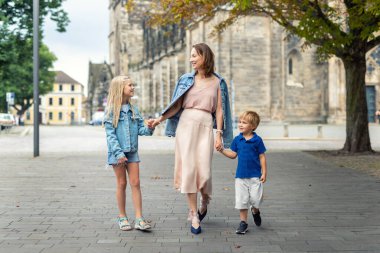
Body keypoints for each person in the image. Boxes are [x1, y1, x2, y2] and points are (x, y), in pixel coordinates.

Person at [149, 43, 233, 234]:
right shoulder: (186, 79)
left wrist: (219, 134)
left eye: (195, 55)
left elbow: (220, 110)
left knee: (204, 171)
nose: (191, 59)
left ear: (205, 56)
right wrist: (159, 119)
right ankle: (193, 214)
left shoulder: (218, 82)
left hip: (205, 126)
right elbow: (176, 105)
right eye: (190, 56)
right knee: (189, 170)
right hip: (185, 126)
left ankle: (205, 199)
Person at [104, 75, 155, 231]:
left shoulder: (134, 109)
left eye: (133, 85)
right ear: (120, 89)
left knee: (136, 183)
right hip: (117, 154)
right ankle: (122, 216)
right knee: (122, 183)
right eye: (130, 85)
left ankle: (139, 219)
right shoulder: (111, 111)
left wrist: (150, 127)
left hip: (132, 153)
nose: (133, 88)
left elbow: (141, 130)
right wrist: (119, 153)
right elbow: (110, 135)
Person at [218, 111, 267, 234]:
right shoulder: (237, 140)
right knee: (242, 200)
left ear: (253, 126)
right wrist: (222, 150)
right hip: (240, 177)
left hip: (255, 176)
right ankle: (243, 223)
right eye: (240, 122)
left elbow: (262, 157)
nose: (240, 124)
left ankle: (255, 211)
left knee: (255, 200)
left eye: (244, 123)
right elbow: (233, 155)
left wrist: (264, 172)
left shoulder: (257, 140)